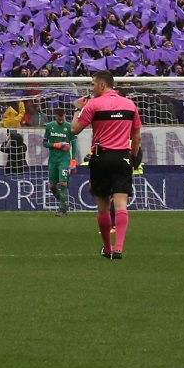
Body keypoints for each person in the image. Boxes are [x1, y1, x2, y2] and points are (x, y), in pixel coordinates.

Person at [72, 71, 141, 260]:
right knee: (121, 205)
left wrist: (78, 108)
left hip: (101, 157)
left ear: (102, 85)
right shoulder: (129, 105)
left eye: (93, 84)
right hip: (122, 157)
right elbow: (137, 136)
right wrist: (133, 158)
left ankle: (108, 248)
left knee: (103, 207)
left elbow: (74, 130)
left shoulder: (94, 104)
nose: (92, 88)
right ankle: (119, 248)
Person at [43, 109, 77, 214]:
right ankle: (64, 204)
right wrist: (55, 145)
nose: (61, 121)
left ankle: (62, 208)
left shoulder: (69, 127)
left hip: (64, 159)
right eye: (59, 119)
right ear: (55, 116)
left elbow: (74, 144)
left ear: (65, 116)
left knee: (63, 182)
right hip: (53, 159)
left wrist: (73, 160)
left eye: (63, 119)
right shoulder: (49, 126)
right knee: (52, 186)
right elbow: (45, 143)